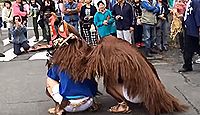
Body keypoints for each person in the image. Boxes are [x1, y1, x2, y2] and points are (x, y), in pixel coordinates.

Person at [178, 0, 200, 72]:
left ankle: (187, 65)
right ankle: (187, 65)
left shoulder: (195, 1)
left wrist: (199, 26)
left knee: (190, 47)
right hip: (189, 27)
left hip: (193, 28)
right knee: (191, 48)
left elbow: (197, 13)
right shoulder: (191, 1)